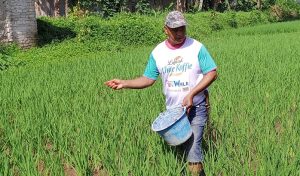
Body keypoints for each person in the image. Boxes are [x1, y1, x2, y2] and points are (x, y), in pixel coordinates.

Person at [105, 11, 217, 176]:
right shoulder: (158, 52)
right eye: (175, 29)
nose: (179, 33)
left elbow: (212, 73)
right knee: (179, 152)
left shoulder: (196, 47)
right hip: (174, 112)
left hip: (196, 107)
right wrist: (125, 83)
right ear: (166, 29)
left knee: (193, 151)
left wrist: (192, 94)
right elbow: (148, 79)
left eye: (182, 28)